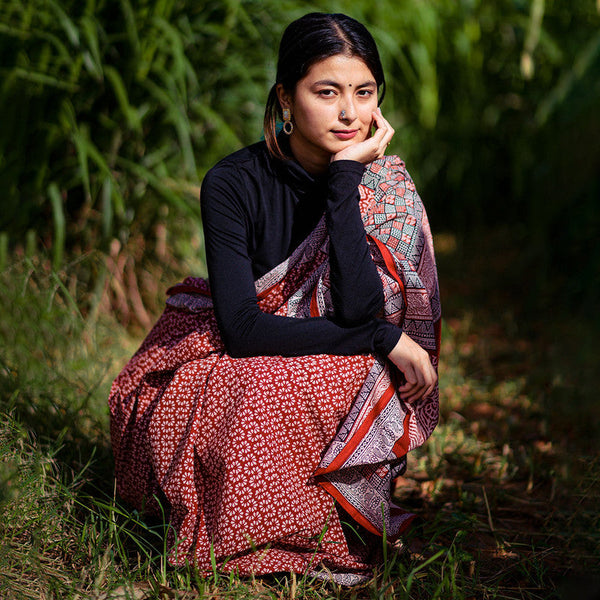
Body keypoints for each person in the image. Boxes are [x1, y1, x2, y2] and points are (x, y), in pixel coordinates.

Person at [109, 12, 441, 585]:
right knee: (264, 382)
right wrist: (381, 337)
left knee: (356, 371)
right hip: (229, 350)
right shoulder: (233, 183)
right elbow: (242, 328)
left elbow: (361, 310)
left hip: (329, 350)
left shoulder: (382, 186)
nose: (348, 113)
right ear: (286, 98)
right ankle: (253, 534)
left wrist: (343, 184)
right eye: (326, 92)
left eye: (364, 94)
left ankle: (323, 521)